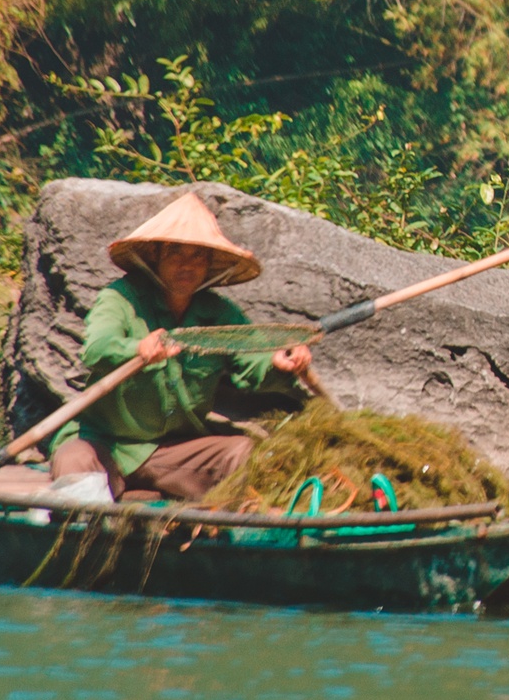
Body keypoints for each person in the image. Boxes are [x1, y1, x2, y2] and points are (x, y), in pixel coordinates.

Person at [48, 192, 315, 503]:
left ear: (209, 266)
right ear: (155, 258)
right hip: (104, 444)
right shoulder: (120, 297)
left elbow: (254, 360)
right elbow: (97, 348)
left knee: (245, 453)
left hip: (175, 450)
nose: (186, 265)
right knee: (73, 463)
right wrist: (138, 349)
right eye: (175, 254)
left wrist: (279, 363)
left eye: (198, 256)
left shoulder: (219, 314)